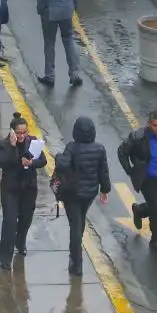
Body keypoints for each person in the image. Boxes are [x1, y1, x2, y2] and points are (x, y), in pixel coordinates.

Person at [51, 116, 111, 278]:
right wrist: (105, 190)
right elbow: (103, 172)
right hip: (89, 193)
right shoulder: (99, 149)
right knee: (80, 219)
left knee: (75, 226)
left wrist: (57, 156)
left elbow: (62, 164)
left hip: (73, 193)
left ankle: (76, 262)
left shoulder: (72, 147)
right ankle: (77, 244)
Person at [117, 110, 157, 255]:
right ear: (149, 125)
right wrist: (130, 171)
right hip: (149, 181)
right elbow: (122, 151)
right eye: (155, 126)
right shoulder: (137, 138)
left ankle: (139, 210)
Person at [0, 115, 45, 269]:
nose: (22, 136)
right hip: (10, 189)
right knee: (9, 222)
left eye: (24, 132)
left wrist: (32, 163)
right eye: (18, 133)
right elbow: (3, 163)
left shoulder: (33, 141)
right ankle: (5, 258)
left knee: (25, 219)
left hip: (28, 188)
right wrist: (12, 145)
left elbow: (43, 160)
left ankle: (20, 241)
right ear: (12, 132)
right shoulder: (4, 145)